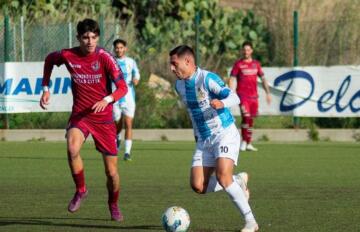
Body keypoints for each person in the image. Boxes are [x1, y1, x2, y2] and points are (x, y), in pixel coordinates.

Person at [39, 18, 128, 221]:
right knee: (72, 148)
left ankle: (113, 204)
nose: (90, 41)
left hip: (104, 120)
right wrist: (45, 88)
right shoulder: (68, 55)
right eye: (86, 37)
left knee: (112, 173)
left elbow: (123, 88)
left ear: (98, 38)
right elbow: (49, 60)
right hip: (81, 116)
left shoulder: (105, 57)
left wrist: (107, 99)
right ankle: (81, 190)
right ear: (78, 37)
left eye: (94, 37)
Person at [169, 45, 259, 232]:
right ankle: (238, 181)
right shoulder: (179, 85)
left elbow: (235, 97)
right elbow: (193, 113)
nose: (171, 68)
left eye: (174, 64)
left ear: (187, 61)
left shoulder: (207, 78)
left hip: (224, 134)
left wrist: (222, 102)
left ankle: (251, 222)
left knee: (223, 177)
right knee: (198, 186)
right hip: (204, 139)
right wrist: (197, 137)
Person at [229, 41, 271, 152]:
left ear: (251, 51)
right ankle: (244, 141)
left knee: (250, 119)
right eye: (244, 50)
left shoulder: (256, 64)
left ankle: (248, 142)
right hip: (243, 96)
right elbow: (232, 78)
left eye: (248, 50)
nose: (246, 52)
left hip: (254, 97)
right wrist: (231, 92)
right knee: (246, 117)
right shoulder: (238, 64)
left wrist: (268, 93)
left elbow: (263, 79)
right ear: (242, 51)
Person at [112, 39, 140, 161]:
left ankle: (127, 153)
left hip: (129, 98)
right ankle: (117, 137)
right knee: (117, 125)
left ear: (125, 49)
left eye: (121, 47)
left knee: (128, 124)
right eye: (117, 48)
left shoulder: (131, 62)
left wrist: (135, 80)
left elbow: (137, 75)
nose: (119, 49)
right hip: (115, 97)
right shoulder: (110, 61)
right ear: (114, 49)